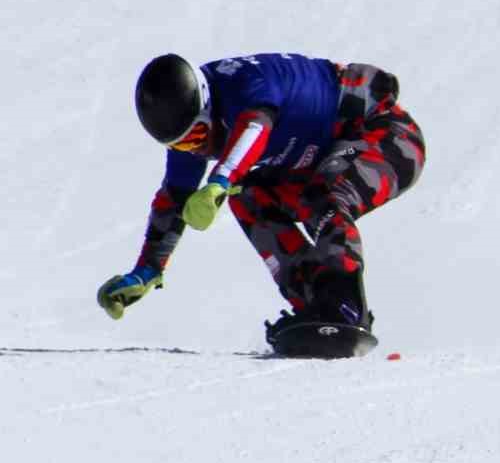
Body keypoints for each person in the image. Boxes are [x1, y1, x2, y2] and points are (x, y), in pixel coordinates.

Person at [96, 52, 425, 343]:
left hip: (389, 137)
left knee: (325, 190)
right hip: (322, 155)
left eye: (197, 135)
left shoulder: (245, 86)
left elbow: (254, 128)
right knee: (249, 196)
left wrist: (220, 180)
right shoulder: (196, 135)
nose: (199, 149)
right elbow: (173, 198)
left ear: (207, 105)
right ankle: (314, 301)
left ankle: (345, 303)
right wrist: (147, 269)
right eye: (181, 145)